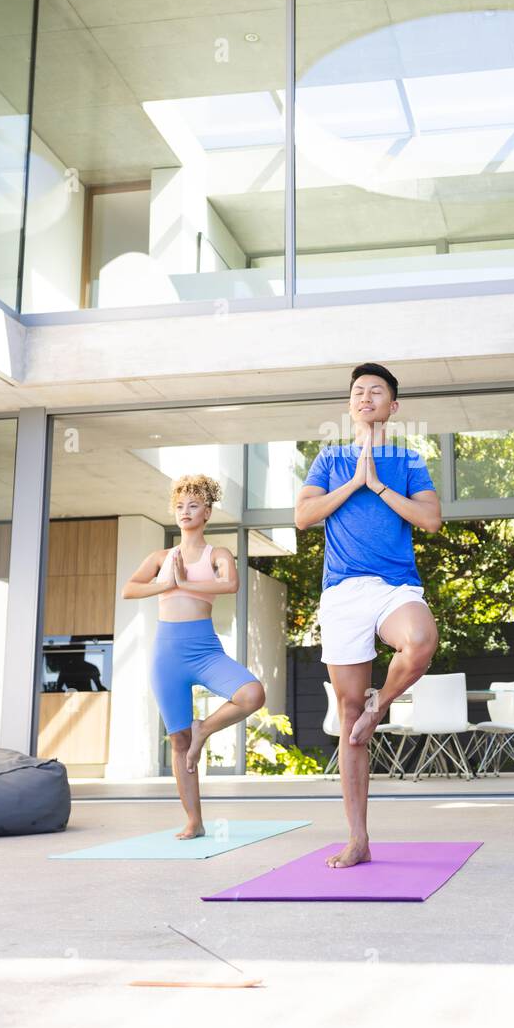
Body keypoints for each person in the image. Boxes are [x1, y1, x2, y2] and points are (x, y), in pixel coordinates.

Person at [295, 363, 442, 868]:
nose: (365, 396)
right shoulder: (330, 458)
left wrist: (379, 485)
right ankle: (358, 838)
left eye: (376, 391)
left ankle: (385, 703)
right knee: (350, 716)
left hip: (393, 587)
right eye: (358, 391)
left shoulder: (408, 459)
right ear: (350, 404)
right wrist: (355, 482)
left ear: (392, 407)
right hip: (341, 594)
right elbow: (304, 516)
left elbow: (431, 520)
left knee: (420, 641)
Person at [121, 474, 265, 840]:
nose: (185, 512)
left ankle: (206, 727)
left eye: (194, 505)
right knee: (178, 739)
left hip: (203, 649)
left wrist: (183, 583)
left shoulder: (217, 554)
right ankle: (193, 821)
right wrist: (166, 583)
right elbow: (129, 589)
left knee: (251, 694)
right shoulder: (160, 557)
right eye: (180, 506)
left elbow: (229, 584)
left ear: (208, 512)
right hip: (167, 652)